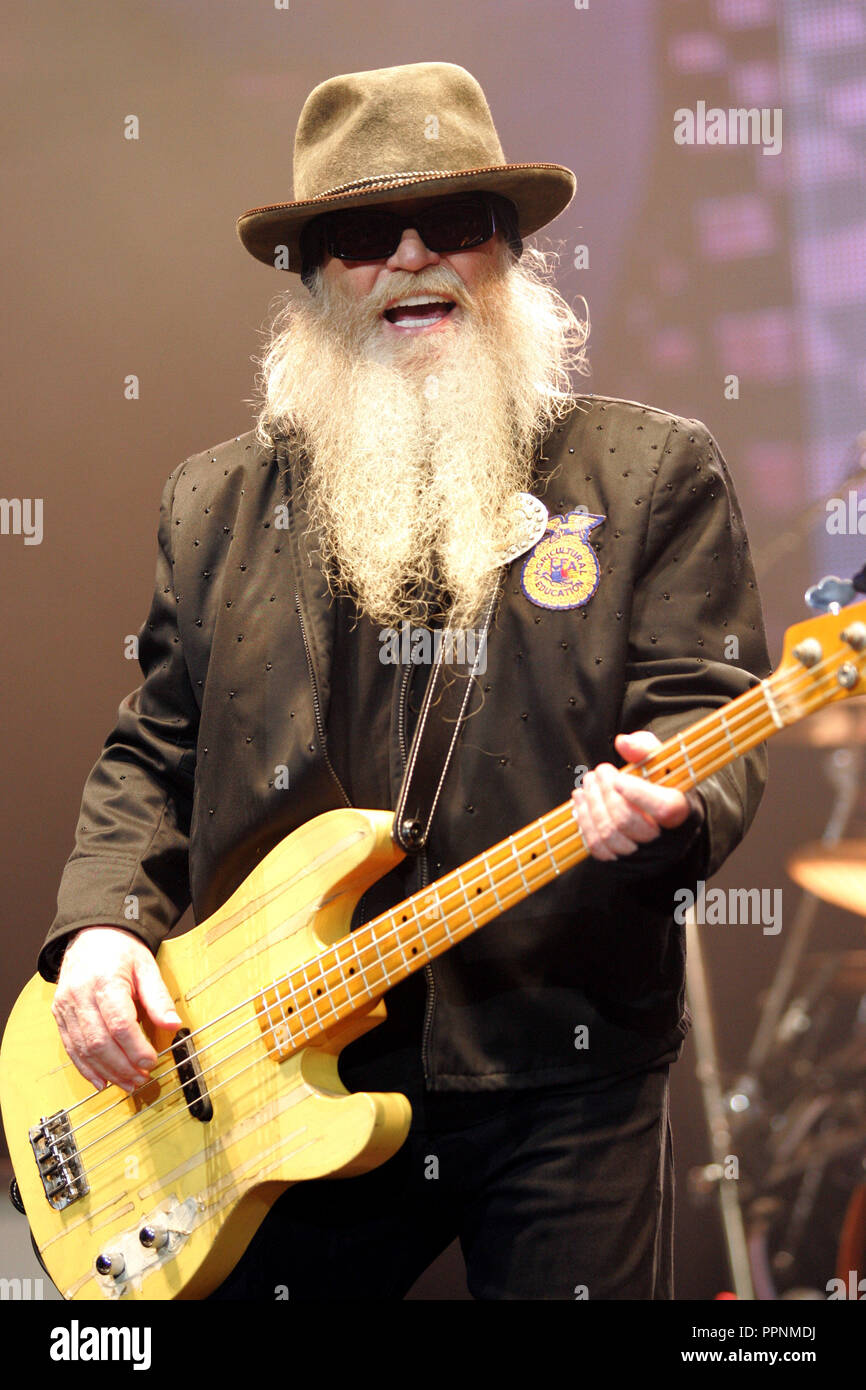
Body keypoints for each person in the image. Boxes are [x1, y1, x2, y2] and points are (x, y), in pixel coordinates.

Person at [39, 61, 770, 1299]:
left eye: (458, 225)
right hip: (266, 1072)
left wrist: (672, 806)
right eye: (368, 232)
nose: (414, 258)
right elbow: (155, 746)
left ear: (510, 253)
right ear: (312, 275)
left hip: (560, 1060)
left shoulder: (650, 473)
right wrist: (104, 927)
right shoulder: (212, 503)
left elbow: (711, 707)